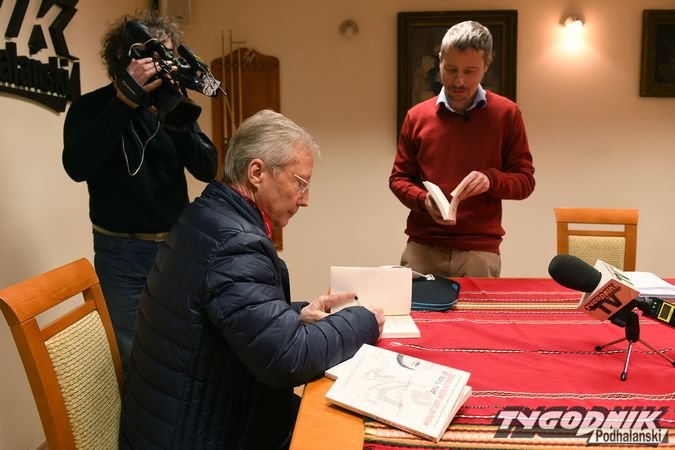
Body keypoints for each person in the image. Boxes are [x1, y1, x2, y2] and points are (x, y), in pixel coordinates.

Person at [119, 109, 385, 449]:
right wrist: (362, 321)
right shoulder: (236, 243)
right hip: (197, 435)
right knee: (347, 432)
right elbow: (287, 358)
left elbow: (229, 316)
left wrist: (296, 314)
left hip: (177, 423)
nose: (305, 199)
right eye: (301, 183)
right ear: (257, 172)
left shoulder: (206, 217)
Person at [62, 11, 217, 373]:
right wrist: (124, 102)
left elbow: (207, 168)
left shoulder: (170, 109)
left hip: (176, 247)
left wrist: (175, 116)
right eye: (151, 56)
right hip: (120, 253)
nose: (159, 67)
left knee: (185, 346)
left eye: (166, 58)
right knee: (133, 356)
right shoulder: (90, 108)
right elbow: (77, 166)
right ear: (123, 58)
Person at [389, 20, 535, 278]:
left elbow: (525, 181)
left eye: (470, 71)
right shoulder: (416, 116)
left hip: (480, 252)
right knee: (412, 307)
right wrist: (423, 200)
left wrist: (491, 180)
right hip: (422, 247)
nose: (459, 81)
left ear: (486, 65)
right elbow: (398, 179)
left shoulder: (507, 114)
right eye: (451, 69)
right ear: (440, 60)